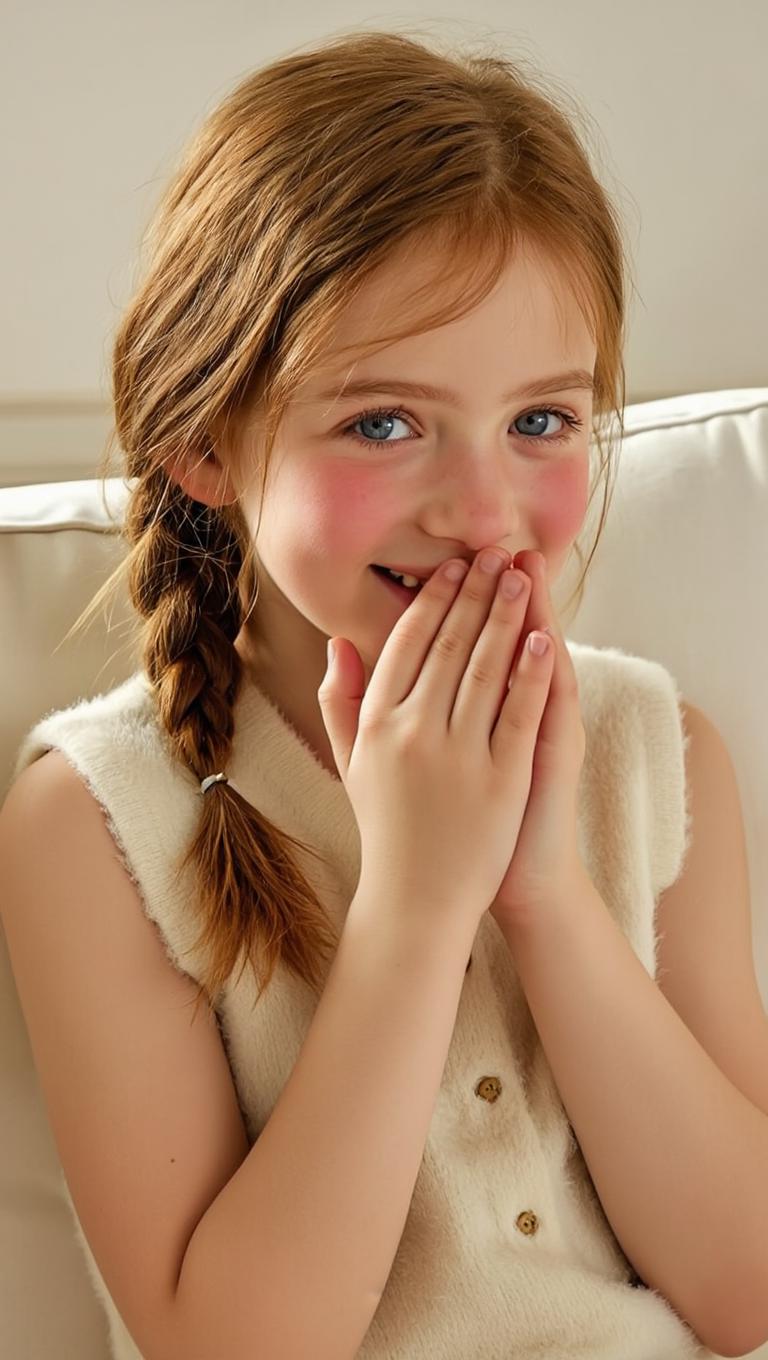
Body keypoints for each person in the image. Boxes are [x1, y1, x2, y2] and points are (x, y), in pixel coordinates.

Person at [0, 26, 762, 1360]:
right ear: (203, 439)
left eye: (542, 421)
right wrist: (415, 905)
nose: (483, 511)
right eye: (384, 423)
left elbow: (747, 1288)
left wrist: (544, 892)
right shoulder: (99, 822)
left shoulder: (654, 751)